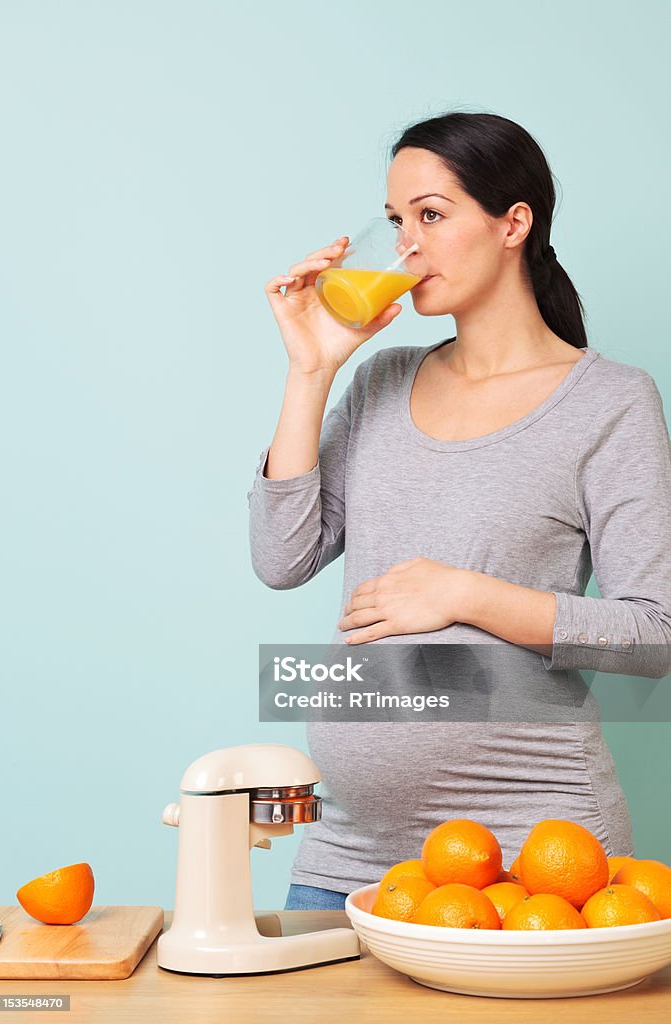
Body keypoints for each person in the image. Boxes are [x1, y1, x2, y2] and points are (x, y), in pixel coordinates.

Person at [247, 111, 671, 911]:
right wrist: (311, 371)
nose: (406, 245)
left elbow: (653, 633)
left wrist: (464, 593)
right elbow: (282, 557)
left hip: (533, 854)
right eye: (395, 221)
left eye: (431, 216)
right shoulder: (380, 382)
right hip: (350, 853)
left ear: (514, 223)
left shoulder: (609, 402)